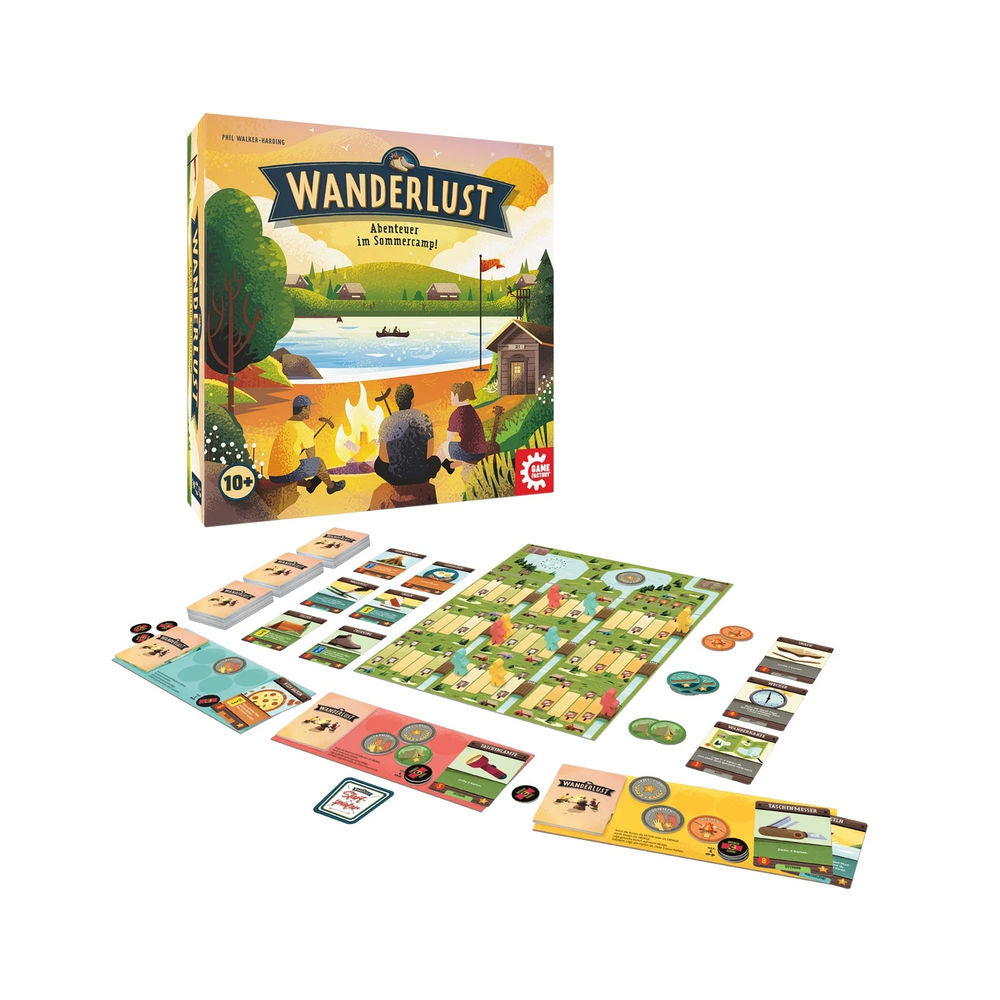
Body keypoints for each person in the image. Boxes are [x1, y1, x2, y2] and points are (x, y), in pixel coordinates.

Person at [267, 395, 345, 494]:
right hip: (285, 475)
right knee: (319, 463)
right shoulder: (305, 430)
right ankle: (331, 487)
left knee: (292, 465)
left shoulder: (286, 425)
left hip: (273, 475)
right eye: (308, 409)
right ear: (303, 409)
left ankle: (309, 485)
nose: (310, 412)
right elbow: (312, 458)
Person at [374, 383, 447, 485]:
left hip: (396, 477)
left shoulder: (387, 422)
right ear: (412, 401)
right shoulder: (424, 418)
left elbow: (383, 457)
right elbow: (429, 453)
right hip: (420, 475)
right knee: (435, 461)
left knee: (378, 464)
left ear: (397, 402)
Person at [437, 381, 487, 469]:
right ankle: (452, 465)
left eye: (452, 395)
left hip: (470, 453)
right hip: (482, 451)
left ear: (456, 395)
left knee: (442, 448)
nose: (450, 399)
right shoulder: (471, 409)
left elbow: (449, 440)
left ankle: (446, 468)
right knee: (463, 446)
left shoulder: (457, 414)